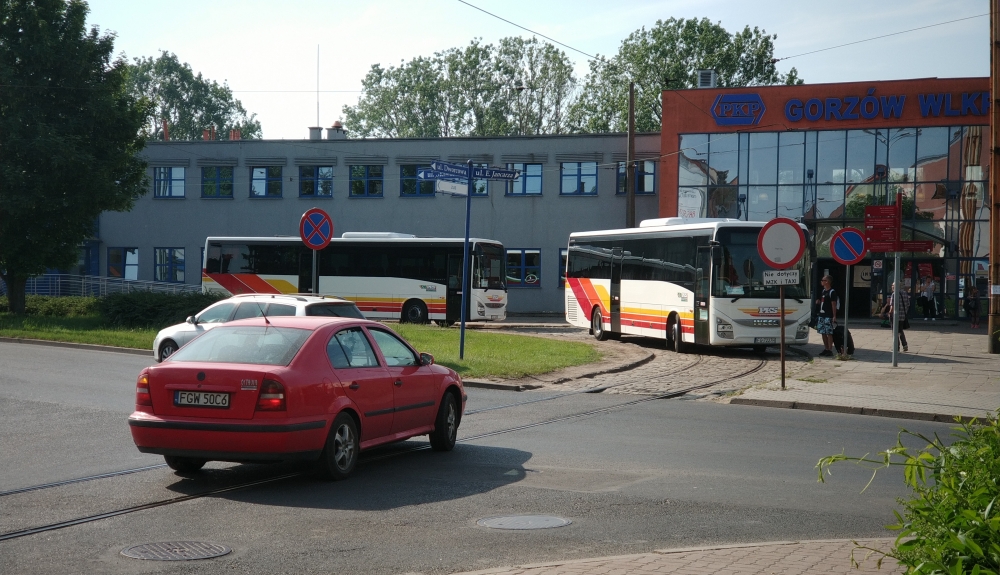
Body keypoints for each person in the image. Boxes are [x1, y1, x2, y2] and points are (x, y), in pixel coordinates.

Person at [815, 275, 838, 357]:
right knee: (823, 332)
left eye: (823, 280)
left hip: (828, 315)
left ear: (827, 281)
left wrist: (834, 316)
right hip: (822, 314)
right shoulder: (823, 291)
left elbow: (833, 304)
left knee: (829, 332)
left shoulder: (832, 292)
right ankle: (826, 348)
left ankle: (830, 349)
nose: (821, 281)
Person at [883, 281, 910, 352]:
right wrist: (904, 312)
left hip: (895, 316)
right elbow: (908, 304)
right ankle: (905, 345)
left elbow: (892, 307)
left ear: (895, 286)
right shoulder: (904, 293)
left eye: (893, 285)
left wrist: (889, 313)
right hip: (902, 316)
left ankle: (896, 348)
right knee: (900, 330)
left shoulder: (894, 294)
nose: (892, 287)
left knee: (895, 332)